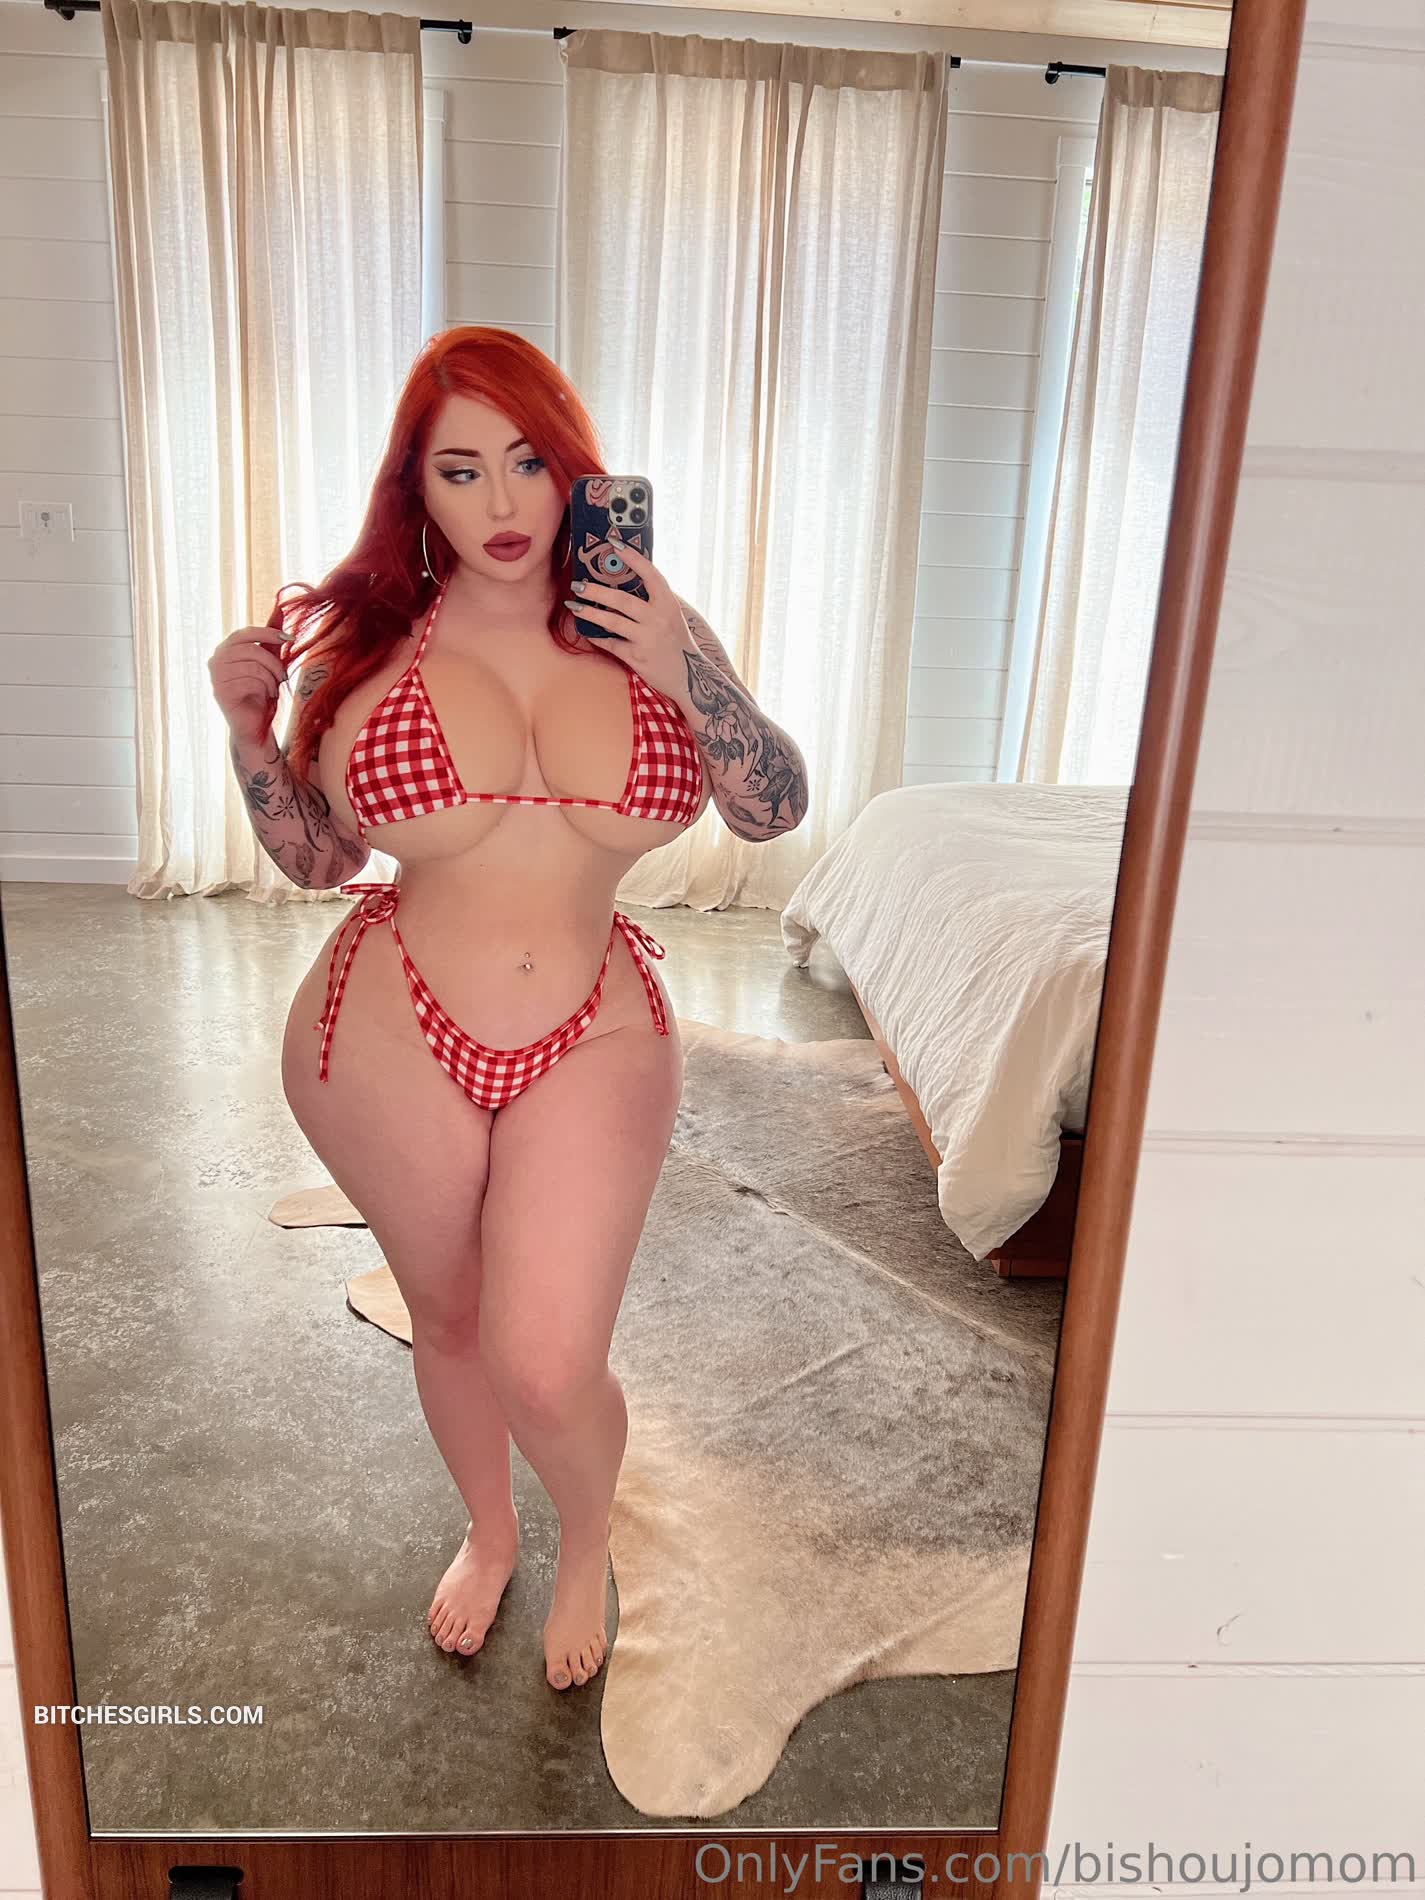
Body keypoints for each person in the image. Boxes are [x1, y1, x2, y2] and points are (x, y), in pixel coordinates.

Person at [208, 326, 808, 1691]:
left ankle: (585, 1535)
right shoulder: (365, 646)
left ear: (575, 472)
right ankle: (490, 1530)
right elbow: (320, 859)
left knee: (547, 1360)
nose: (499, 503)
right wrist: (248, 741)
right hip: (388, 1024)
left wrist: (685, 667)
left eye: (528, 463)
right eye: (460, 469)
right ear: (414, 488)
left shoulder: (652, 624)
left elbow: (771, 810)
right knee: (450, 1314)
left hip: (594, 1023)